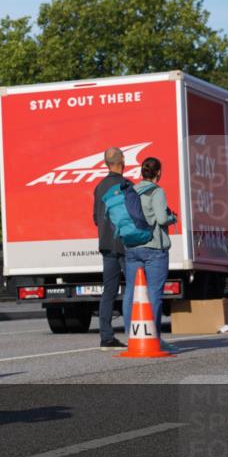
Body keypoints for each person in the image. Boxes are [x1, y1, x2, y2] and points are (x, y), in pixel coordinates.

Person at [121, 157, 178, 351]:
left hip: (132, 247)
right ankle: (154, 338)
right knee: (154, 293)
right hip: (153, 248)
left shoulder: (132, 190)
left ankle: (131, 336)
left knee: (131, 292)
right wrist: (172, 218)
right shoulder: (157, 191)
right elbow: (161, 219)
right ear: (159, 172)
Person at [93, 147, 129, 351]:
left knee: (109, 291)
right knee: (134, 288)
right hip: (125, 243)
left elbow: (95, 218)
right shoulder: (126, 185)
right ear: (122, 160)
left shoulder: (99, 187)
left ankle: (106, 337)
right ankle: (137, 331)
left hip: (106, 244)